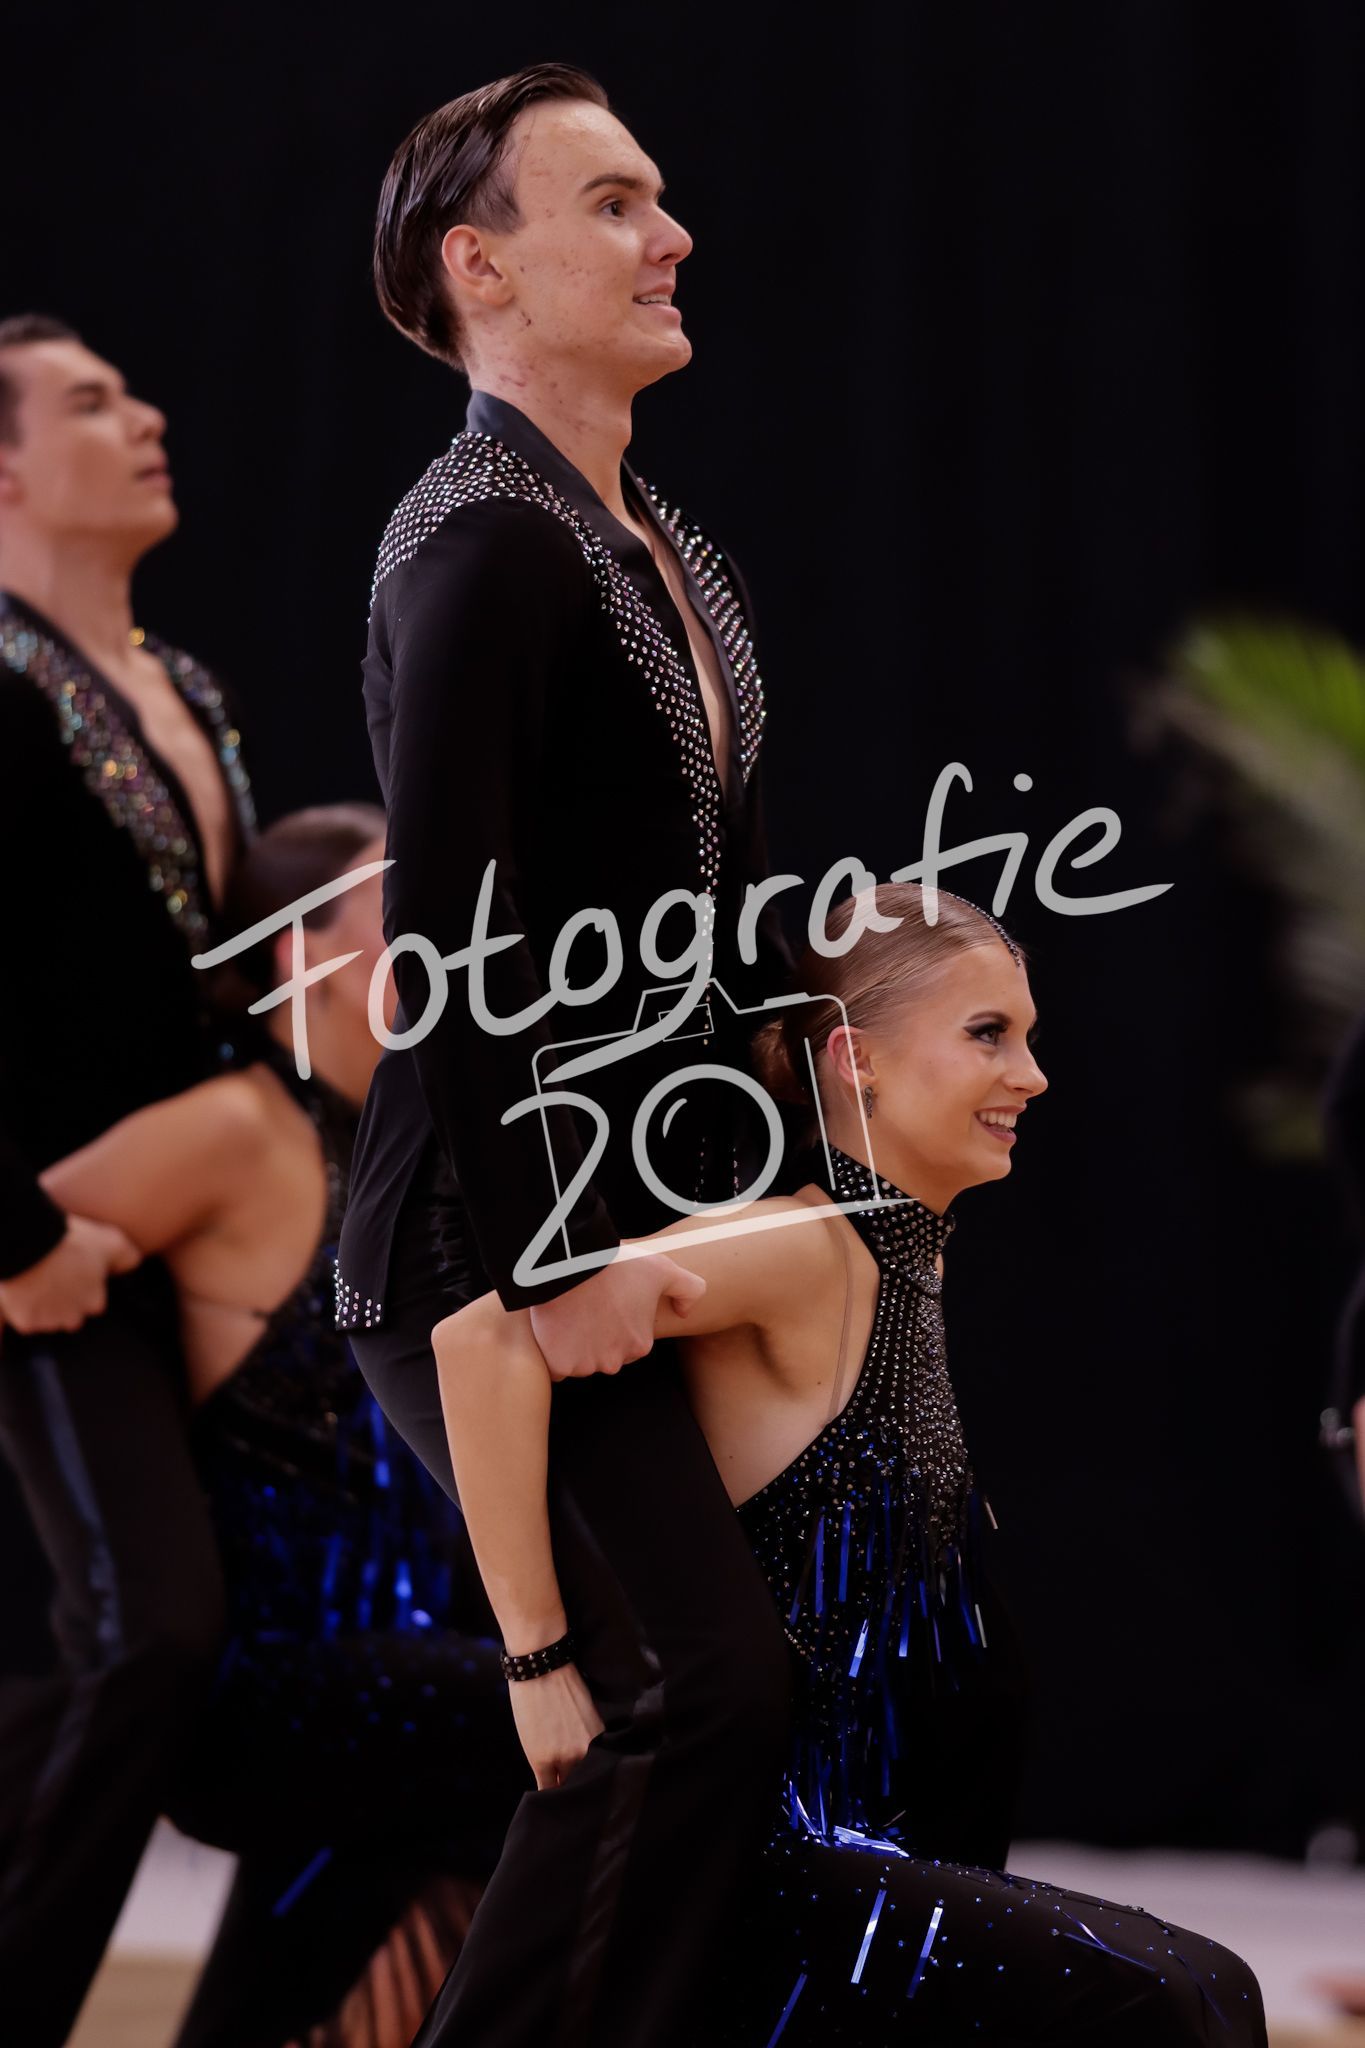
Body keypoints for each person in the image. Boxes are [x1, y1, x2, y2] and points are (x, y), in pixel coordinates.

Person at [435, 884, 1270, 2045]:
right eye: (989, 1033)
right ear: (854, 1057)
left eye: (1029, 1037)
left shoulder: (909, 1261)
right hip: (789, 1876)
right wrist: (537, 1659)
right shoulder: (806, 1247)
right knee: (1182, 1993)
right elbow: (483, 1338)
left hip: (893, 1871)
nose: (1032, 1075)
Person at [336, 62, 798, 2048]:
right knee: (693, 1687)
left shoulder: (662, 545)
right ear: (482, 266)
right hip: (487, 1235)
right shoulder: (480, 545)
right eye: (611, 203)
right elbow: (444, 940)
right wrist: (549, 1259)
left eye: (659, 196)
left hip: (640, 1210)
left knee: (720, 1689)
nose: (670, 234)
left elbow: (705, 910)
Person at [36, 806, 530, 2048]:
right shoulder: (240, 1128)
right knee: (573, 1716)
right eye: (396, 909)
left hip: (387, 1680)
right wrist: (59, 1253)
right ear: (301, 951)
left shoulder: (407, 1147)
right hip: (267, 1687)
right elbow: (21, 1240)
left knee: (359, 1908)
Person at [0, 314, 256, 2044]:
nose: (145, 415)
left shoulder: (189, 688)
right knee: (151, 1636)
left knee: (263, 1649)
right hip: (56, 1249)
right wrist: (19, 1236)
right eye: (91, 404)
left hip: (211, 1246)